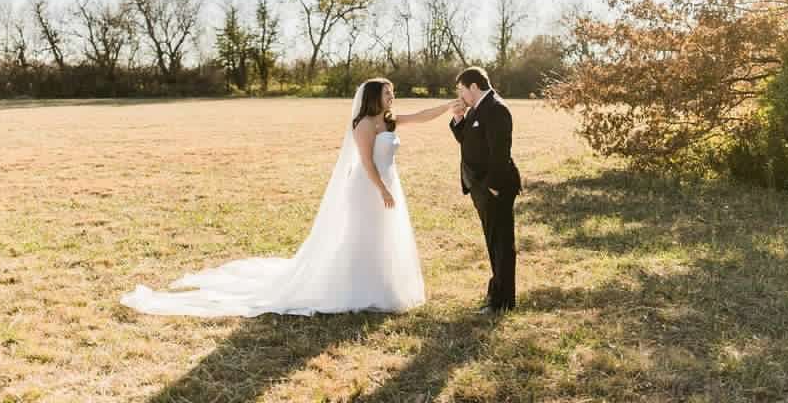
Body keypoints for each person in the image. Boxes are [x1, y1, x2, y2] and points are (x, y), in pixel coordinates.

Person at [120, 78, 458, 317]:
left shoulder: (388, 119)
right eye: (388, 93)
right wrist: (382, 189)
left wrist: (446, 106)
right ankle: (358, 288)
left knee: (384, 238)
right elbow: (367, 163)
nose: (392, 97)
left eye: (392, 93)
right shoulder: (364, 125)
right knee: (362, 237)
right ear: (373, 96)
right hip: (369, 187)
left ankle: (384, 286)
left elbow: (421, 117)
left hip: (388, 185)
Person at [450, 66, 522, 313]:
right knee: (494, 242)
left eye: (461, 90)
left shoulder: (496, 109)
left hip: (495, 188)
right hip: (480, 187)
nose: (460, 96)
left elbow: (499, 154)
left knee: (501, 244)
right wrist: (459, 120)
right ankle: (496, 294)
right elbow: (470, 140)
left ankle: (502, 302)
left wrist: (492, 187)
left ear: (473, 87)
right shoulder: (477, 108)